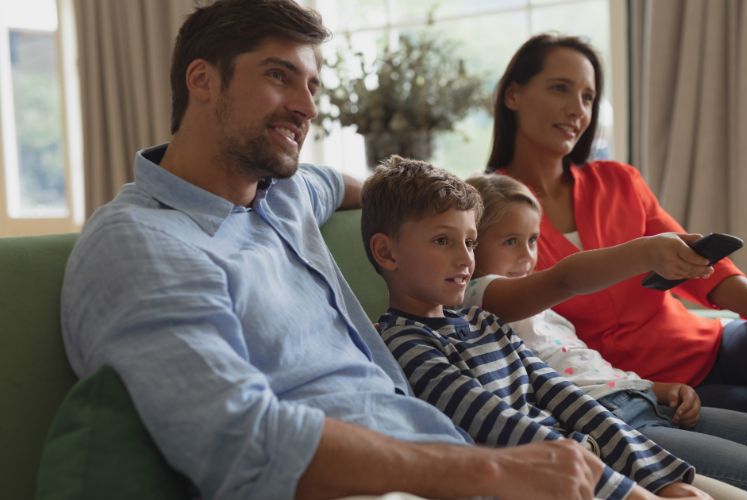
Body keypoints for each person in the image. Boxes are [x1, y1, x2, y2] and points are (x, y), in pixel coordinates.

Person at [61, 2, 647, 500]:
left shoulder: (283, 193)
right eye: (278, 76)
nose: (307, 106)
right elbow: (238, 440)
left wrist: (424, 212)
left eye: (311, 85)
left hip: (442, 456)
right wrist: (491, 467)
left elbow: (341, 184)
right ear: (202, 79)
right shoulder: (141, 242)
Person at [361, 155, 721, 500]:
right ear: (386, 252)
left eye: (470, 242)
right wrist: (634, 494)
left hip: (595, 468)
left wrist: (660, 480)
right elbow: (500, 428)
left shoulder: (484, 322)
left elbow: (566, 396)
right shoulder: (404, 343)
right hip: (544, 482)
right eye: (443, 240)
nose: (465, 258)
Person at [487, 33, 747, 422]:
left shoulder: (619, 181)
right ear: (512, 95)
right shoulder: (489, 211)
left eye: (587, 97)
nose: (577, 110)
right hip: (656, 393)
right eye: (559, 89)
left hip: (714, 342)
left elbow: (703, 269)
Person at [460, 173, 747, 499]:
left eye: (533, 240)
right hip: (614, 425)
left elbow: (588, 370)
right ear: (472, 245)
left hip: (641, 400)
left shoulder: (546, 314)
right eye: (510, 241)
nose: (527, 255)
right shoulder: (476, 296)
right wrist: (643, 253)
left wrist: (659, 389)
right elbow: (562, 280)